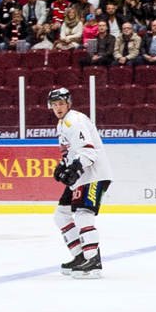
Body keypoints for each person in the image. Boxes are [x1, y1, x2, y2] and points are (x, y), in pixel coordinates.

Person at [47, 87, 111, 278]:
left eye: (61, 103)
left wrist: (74, 169)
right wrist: (63, 165)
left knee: (83, 214)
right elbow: (72, 151)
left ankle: (93, 261)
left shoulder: (74, 120)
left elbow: (89, 152)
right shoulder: (62, 124)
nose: (58, 107)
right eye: (54, 104)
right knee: (61, 215)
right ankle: (81, 255)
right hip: (83, 175)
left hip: (94, 174)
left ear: (68, 104)